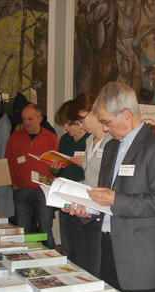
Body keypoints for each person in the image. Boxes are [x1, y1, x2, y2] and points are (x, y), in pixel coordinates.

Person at [67, 82, 155, 292]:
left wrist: (116, 199)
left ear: (126, 115)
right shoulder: (110, 148)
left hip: (141, 259)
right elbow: (107, 200)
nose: (105, 129)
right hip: (106, 250)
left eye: (106, 122)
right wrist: (89, 209)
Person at [64, 92, 113, 277]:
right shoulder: (88, 140)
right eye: (78, 122)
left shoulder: (112, 142)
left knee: (96, 270)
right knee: (82, 268)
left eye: (81, 120)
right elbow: (88, 178)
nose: (81, 126)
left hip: (99, 215)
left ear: (94, 113)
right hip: (82, 213)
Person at [5, 104, 58, 249]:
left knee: (46, 230)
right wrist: (13, 183)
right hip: (21, 189)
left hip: (43, 190)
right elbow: (8, 161)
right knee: (23, 231)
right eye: (24, 119)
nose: (27, 122)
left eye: (30, 119)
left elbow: (57, 165)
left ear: (40, 118)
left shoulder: (51, 137)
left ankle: (51, 259)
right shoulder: (15, 137)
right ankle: (24, 260)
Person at [52, 100, 89, 263]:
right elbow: (60, 170)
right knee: (66, 237)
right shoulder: (65, 139)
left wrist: (86, 163)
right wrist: (54, 167)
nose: (66, 128)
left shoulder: (92, 138)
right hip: (65, 194)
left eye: (68, 123)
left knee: (82, 239)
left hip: (82, 197)